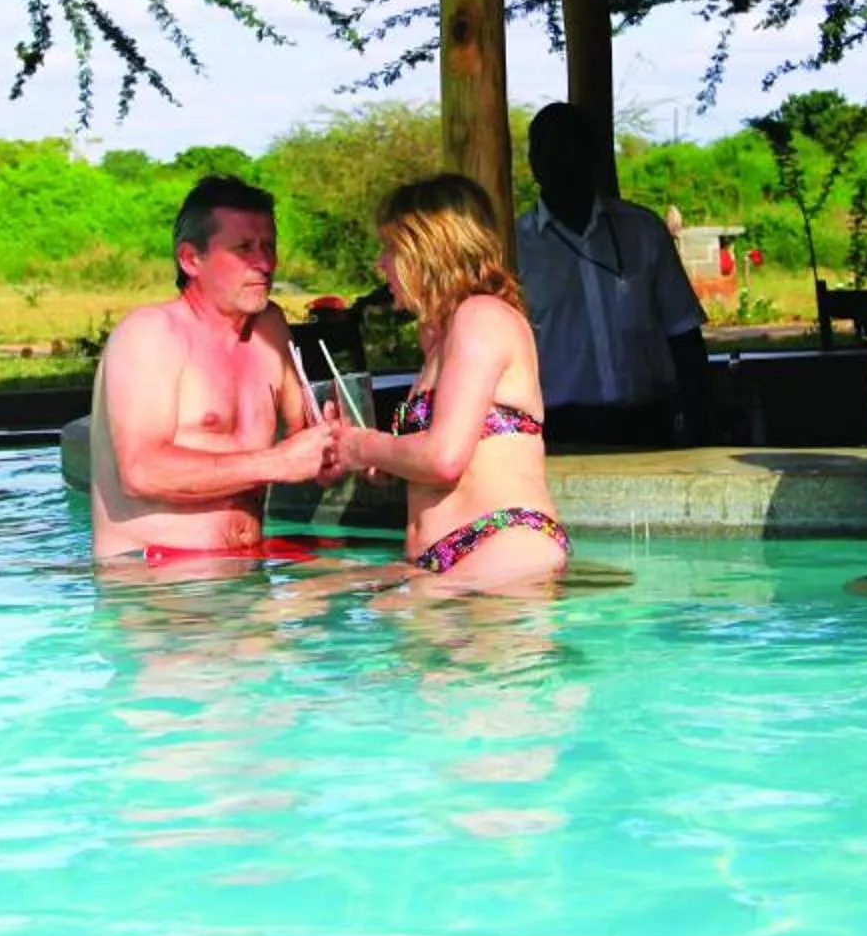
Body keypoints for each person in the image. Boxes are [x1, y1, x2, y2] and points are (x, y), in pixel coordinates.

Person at [329, 174, 571, 587]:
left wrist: (363, 445)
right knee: (315, 593)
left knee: (383, 614)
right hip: (447, 556)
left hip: (501, 540)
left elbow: (444, 458)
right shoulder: (440, 336)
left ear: (429, 250)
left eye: (391, 247)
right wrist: (387, 459)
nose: (380, 263)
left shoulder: (481, 317)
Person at [88, 174, 336, 563]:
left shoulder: (269, 327)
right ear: (191, 259)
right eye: (243, 249)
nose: (264, 263)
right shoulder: (151, 335)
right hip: (158, 582)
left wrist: (334, 448)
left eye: (268, 246)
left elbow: (302, 431)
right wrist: (277, 463)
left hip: (248, 565)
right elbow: (141, 472)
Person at [513, 101, 709, 446]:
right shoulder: (514, 246)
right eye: (543, 147)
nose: (555, 159)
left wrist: (700, 424)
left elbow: (684, 335)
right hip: (555, 431)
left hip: (647, 425)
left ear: (591, 154)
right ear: (532, 161)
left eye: (567, 146)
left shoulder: (643, 231)